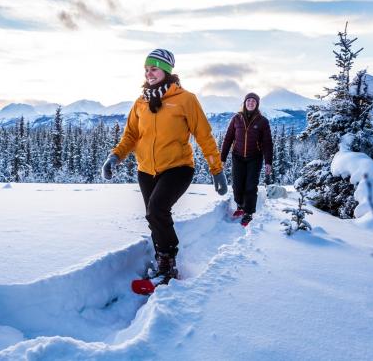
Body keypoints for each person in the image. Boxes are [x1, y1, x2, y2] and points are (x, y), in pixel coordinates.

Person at [101, 48, 227, 285]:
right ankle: (162, 258)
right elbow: (130, 135)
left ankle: (168, 263)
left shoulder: (185, 100)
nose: (149, 73)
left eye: (154, 69)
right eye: (146, 69)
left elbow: (204, 136)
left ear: (166, 70)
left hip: (178, 167)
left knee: (157, 209)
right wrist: (115, 157)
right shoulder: (141, 102)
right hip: (146, 170)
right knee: (154, 215)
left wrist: (216, 170)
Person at [220, 92, 273, 227]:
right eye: (248, 100)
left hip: (254, 157)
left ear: (257, 104)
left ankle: (248, 212)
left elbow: (267, 142)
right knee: (237, 184)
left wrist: (268, 162)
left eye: (253, 101)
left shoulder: (262, 121)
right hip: (237, 156)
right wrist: (223, 158)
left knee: (250, 185)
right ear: (244, 103)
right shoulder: (236, 119)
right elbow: (228, 139)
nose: (250, 103)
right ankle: (240, 207)